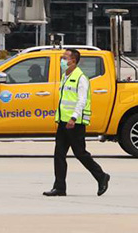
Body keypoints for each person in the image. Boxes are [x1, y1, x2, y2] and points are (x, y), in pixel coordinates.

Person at [43, 48, 110, 197]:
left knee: (80, 153)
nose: (62, 60)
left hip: (75, 123)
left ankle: (101, 176)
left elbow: (82, 100)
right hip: (63, 121)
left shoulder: (81, 78)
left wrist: (73, 118)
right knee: (59, 154)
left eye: (65, 58)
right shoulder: (65, 76)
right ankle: (59, 187)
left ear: (73, 61)